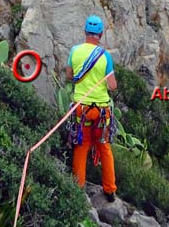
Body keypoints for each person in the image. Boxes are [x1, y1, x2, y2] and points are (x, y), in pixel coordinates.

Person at [65, 14, 118, 202]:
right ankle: (110, 189)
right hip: (102, 111)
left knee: (82, 146)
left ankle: (78, 187)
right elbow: (112, 86)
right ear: (101, 34)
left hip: (81, 109)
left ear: (85, 32)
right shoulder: (105, 57)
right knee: (104, 148)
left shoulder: (74, 51)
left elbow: (69, 75)